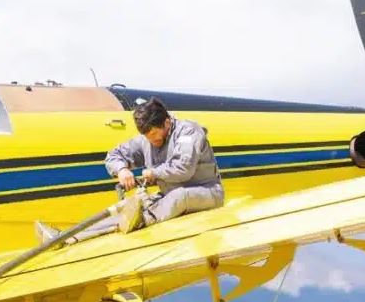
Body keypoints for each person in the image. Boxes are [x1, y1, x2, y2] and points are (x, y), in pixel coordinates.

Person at [35, 97, 224, 244]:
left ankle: (141, 219)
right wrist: (122, 170)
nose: (151, 141)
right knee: (128, 210)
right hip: (168, 198)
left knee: (179, 196)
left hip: (207, 192)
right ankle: (66, 237)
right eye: (147, 136)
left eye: (154, 135)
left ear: (166, 123)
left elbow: (183, 169)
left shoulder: (189, 132)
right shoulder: (147, 139)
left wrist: (154, 173)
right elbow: (114, 155)